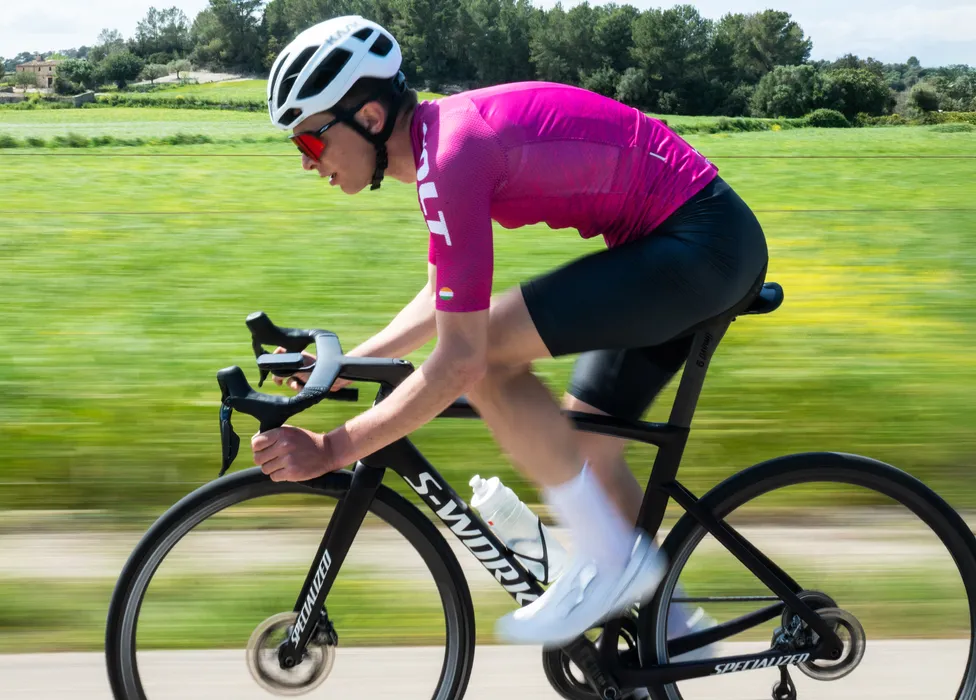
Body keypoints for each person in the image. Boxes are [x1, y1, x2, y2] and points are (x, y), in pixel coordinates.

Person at [250, 15, 769, 649]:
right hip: (680, 246)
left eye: (310, 140)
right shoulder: (441, 147)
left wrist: (333, 448)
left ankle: (609, 562)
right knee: (586, 446)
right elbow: (446, 296)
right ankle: (674, 636)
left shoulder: (453, 156)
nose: (308, 162)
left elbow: (461, 358)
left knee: (487, 358)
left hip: (699, 246)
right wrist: (347, 364)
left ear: (370, 117)